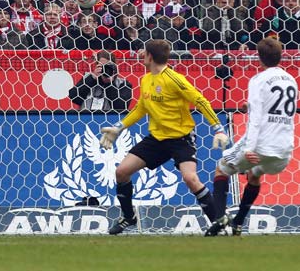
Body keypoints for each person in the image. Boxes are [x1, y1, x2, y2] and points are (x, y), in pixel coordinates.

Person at [99, 39, 229, 235]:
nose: (141, 54)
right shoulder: (146, 80)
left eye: (144, 52)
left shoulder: (174, 79)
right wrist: (119, 127)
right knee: (122, 172)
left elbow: (200, 100)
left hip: (180, 138)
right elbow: (141, 108)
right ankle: (128, 217)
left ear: (150, 56)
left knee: (190, 178)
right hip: (156, 139)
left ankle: (218, 223)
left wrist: (218, 128)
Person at [205, 38, 298, 237]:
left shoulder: (258, 80)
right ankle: (238, 222)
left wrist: (250, 148)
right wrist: (251, 107)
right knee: (255, 175)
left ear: (258, 57)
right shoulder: (290, 79)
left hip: (259, 145)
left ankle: (220, 217)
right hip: (283, 151)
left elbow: (256, 119)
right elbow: (281, 111)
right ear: (281, 55)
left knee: (221, 168)